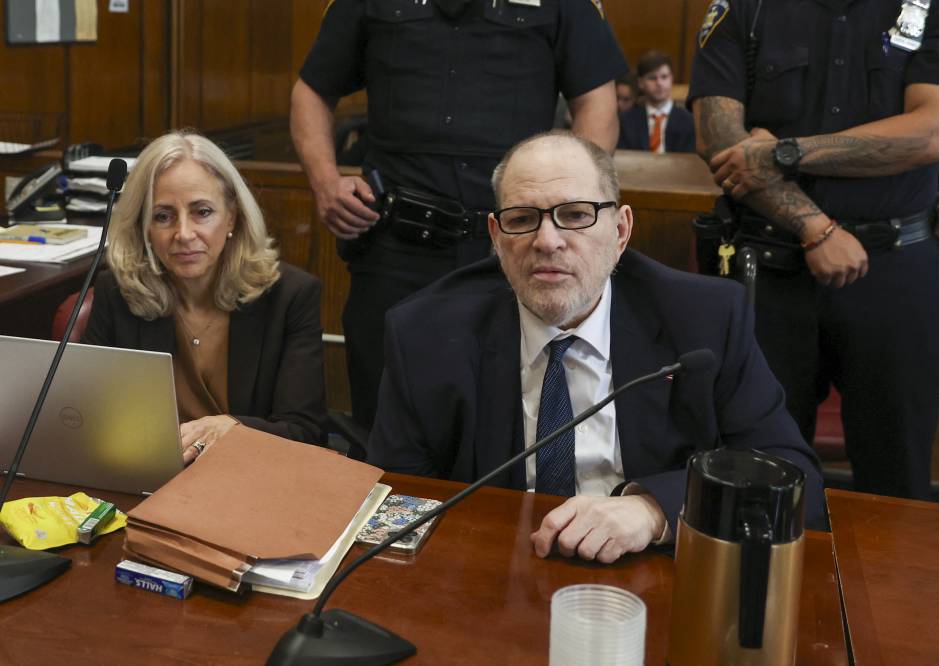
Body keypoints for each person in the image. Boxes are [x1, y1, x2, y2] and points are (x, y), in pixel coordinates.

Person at [367, 132, 823, 563]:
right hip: (487, 570)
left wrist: (655, 509)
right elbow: (395, 504)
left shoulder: (705, 320)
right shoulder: (425, 334)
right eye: (522, 219)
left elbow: (792, 476)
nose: (547, 241)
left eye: (576, 214)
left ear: (621, 231)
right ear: (497, 238)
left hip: (656, 576)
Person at [688, 0, 939, 499]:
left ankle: (885, 580)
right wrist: (816, 229)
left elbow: (934, 132)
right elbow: (719, 138)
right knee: (753, 472)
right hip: (768, 267)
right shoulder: (747, 7)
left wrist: (785, 152)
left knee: (897, 472)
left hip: (896, 270)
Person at [290, 0, 628, 430]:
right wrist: (325, 181)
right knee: (382, 418)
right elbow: (312, 90)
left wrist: (570, 208)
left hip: (512, 249)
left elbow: (597, 101)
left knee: (504, 420)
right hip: (396, 247)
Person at [83, 131, 330, 463]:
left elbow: (305, 431)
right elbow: (94, 418)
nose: (183, 234)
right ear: (143, 226)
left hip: (252, 474)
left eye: (202, 212)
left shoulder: (290, 296)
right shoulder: (117, 293)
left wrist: (231, 429)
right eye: (163, 216)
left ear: (231, 216)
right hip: (149, 473)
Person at [618, 51, 696, 153]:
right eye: (652, 78)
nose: (659, 83)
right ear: (641, 83)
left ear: (671, 79)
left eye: (664, 77)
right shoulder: (625, 121)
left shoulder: (690, 121)